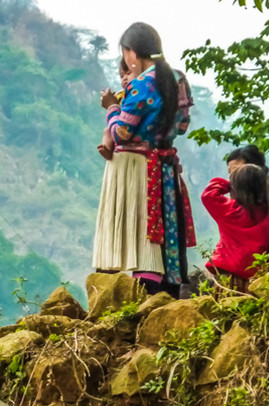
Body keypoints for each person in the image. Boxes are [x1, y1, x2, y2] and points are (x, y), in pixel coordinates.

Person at [92, 22, 196, 298]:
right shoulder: (178, 80)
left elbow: (122, 133)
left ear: (132, 53)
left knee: (137, 231)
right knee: (163, 229)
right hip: (164, 165)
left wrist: (112, 107)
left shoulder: (139, 86)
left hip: (134, 167)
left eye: (126, 52)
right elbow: (183, 125)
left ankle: (135, 294)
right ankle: (168, 290)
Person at [201, 163, 269, 292]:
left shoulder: (230, 210)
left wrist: (228, 183)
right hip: (255, 281)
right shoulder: (268, 218)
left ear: (235, 188)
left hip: (226, 278)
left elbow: (208, 195)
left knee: (225, 309)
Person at [97, 60, 134, 161]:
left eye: (128, 73)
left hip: (129, 125)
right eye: (122, 76)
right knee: (107, 131)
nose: (125, 78)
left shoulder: (137, 93)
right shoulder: (121, 94)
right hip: (119, 122)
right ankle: (107, 149)